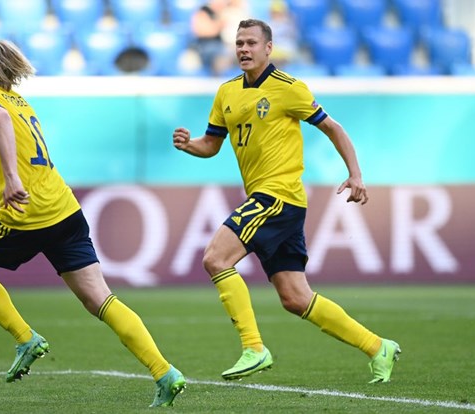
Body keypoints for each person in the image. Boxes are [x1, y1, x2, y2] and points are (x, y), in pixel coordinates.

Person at [0, 38, 186, 407]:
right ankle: (165, 372)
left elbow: (0, 122)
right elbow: (24, 153)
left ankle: (25, 338)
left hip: (26, 215)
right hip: (65, 210)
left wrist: (11, 179)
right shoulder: (21, 102)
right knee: (100, 299)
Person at [171, 19, 401, 383]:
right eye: (239, 43)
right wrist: (189, 145)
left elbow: (333, 127)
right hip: (273, 202)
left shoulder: (289, 88)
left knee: (216, 258)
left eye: (251, 43)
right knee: (295, 298)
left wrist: (356, 174)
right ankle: (377, 347)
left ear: (268, 47)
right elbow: (211, 145)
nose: (243, 49)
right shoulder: (226, 92)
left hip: (278, 196)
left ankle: (254, 347)